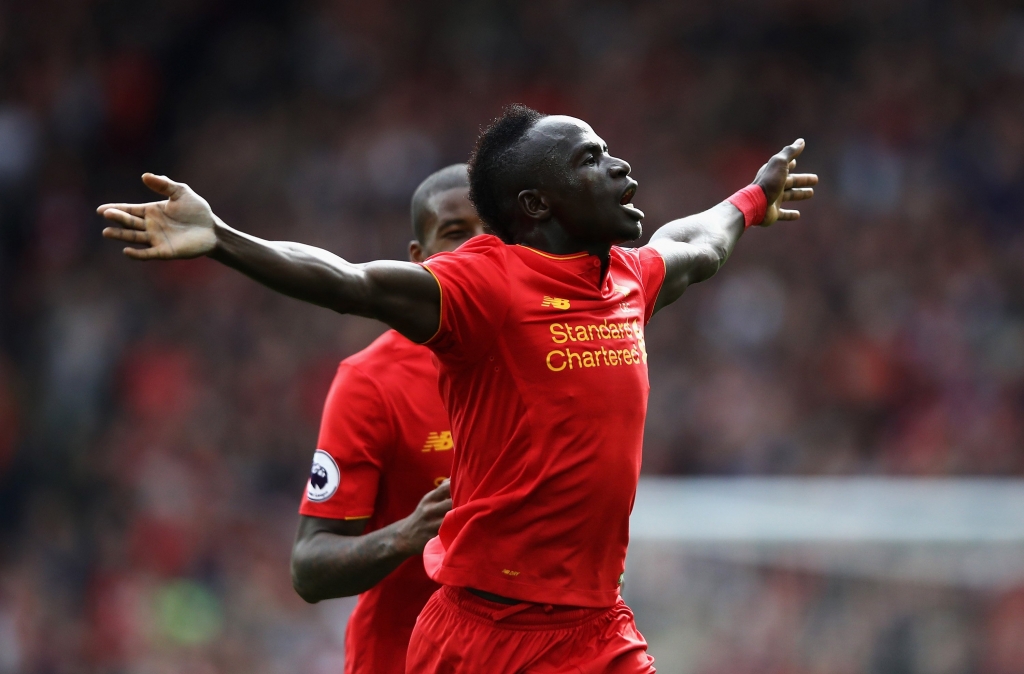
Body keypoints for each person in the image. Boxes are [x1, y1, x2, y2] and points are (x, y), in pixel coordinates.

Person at [98, 104, 817, 673]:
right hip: (485, 634)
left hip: (595, 626)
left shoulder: (628, 279)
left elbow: (696, 242)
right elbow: (349, 282)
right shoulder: (483, 289)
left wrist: (752, 198)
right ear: (538, 204)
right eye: (591, 159)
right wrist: (222, 237)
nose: (620, 166)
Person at [290, 164, 486, 674]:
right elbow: (309, 568)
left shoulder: (546, 356)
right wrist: (405, 535)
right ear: (418, 261)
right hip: (402, 660)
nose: (478, 247)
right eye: (455, 232)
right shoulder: (371, 382)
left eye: (494, 231)